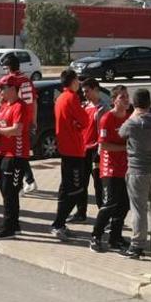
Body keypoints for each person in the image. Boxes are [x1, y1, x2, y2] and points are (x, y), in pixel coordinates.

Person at [118, 88, 151, 260]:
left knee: (139, 210)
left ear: (135, 103)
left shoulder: (133, 123)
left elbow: (121, 133)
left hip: (137, 170)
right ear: (149, 102)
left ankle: (137, 245)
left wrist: (133, 114)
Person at [0, 75, 30, 238]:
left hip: (15, 155)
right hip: (2, 154)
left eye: (3, 87)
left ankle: (9, 227)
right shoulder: (4, 106)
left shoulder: (20, 107)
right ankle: (12, 225)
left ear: (13, 89)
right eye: (0, 87)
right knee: (4, 189)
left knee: (10, 192)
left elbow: (17, 129)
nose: (0, 90)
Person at [90, 85, 132, 253]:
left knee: (124, 205)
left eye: (127, 96)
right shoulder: (107, 118)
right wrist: (125, 149)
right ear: (114, 100)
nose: (126, 99)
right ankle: (95, 237)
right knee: (109, 204)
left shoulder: (129, 118)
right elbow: (105, 145)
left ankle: (115, 238)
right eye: (122, 96)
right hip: (110, 168)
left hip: (125, 168)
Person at [50, 69, 90, 242]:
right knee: (75, 190)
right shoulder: (72, 98)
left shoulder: (60, 97)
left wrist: (76, 122)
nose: (79, 84)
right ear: (73, 81)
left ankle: (60, 224)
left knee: (66, 189)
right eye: (78, 81)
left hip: (66, 148)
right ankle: (58, 224)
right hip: (73, 149)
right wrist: (78, 122)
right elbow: (85, 120)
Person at [72, 77, 107, 222]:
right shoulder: (85, 106)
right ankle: (81, 213)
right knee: (81, 183)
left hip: (96, 151)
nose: (84, 94)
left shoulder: (104, 109)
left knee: (98, 185)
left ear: (95, 90)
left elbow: (104, 131)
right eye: (83, 91)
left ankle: (103, 216)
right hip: (83, 150)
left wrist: (100, 151)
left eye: (87, 91)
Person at [1, 54, 38, 193]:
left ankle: (24, 183)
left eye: (5, 67)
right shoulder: (27, 80)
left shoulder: (10, 81)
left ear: (9, 68)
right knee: (21, 153)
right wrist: (34, 121)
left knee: (17, 154)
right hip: (27, 120)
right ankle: (28, 181)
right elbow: (34, 102)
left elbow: (3, 101)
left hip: (15, 120)